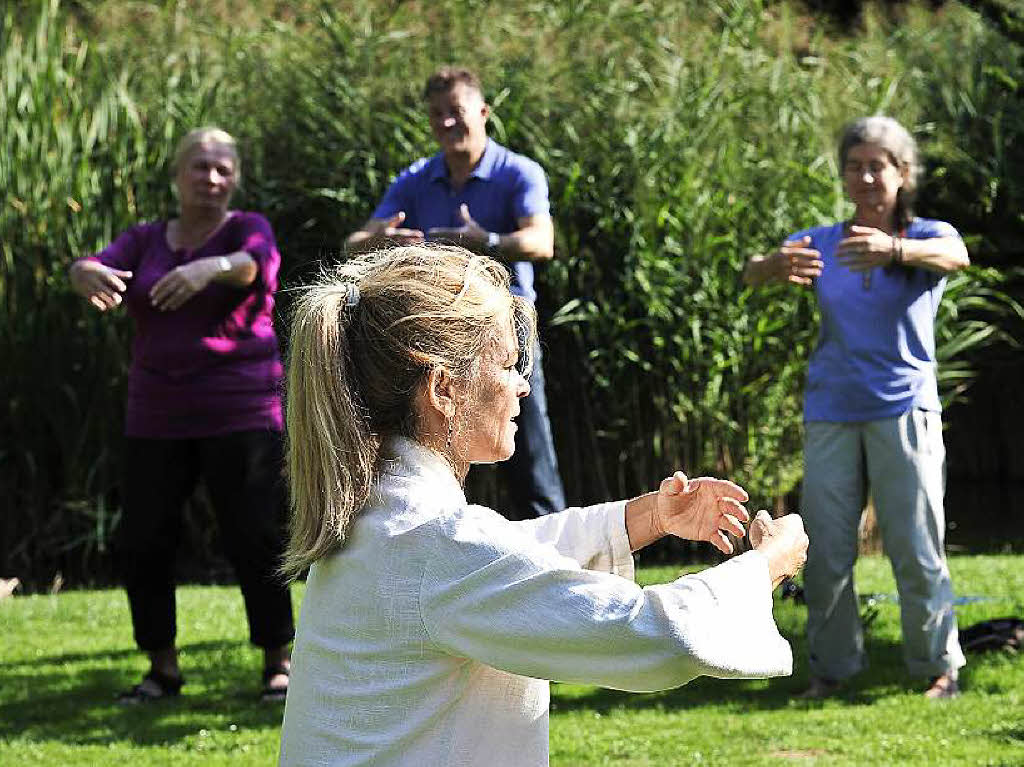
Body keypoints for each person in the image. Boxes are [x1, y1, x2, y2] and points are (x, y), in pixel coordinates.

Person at [277, 245, 809, 766]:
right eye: (509, 365)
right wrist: (767, 564)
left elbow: (505, 561)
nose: (523, 386)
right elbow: (661, 637)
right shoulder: (432, 543)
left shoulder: (384, 516)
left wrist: (644, 520)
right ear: (443, 388)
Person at [743, 116, 970, 699]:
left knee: (916, 546)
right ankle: (832, 668)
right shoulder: (823, 240)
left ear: (902, 174)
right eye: (855, 166)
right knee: (825, 547)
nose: (866, 177)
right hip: (831, 410)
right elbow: (751, 271)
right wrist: (773, 268)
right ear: (843, 175)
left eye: (879, 166)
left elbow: (958, 255)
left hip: (904, 409)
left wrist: (894, 249)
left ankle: (937, 668)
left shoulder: (925, 236)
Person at [68, 127, 294, 703]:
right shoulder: (146, 239)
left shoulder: (247, 229)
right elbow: (95, 265)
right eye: (200, 167)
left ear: (235, 178)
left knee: (255, 536)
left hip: (240, 410)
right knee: (144, 539)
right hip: (158, 414)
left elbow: (255, 265)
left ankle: (279, 662)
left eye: (222, 169)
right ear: (177, 174)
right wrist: (83, 272)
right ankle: (162, 670)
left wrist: (209, 268)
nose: (211, 178)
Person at [346, 65, 565, 520]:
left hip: (508, 334)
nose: (446, 124)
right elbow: (354, 244)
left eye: (456, 112)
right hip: (436, 337)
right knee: (423, 456)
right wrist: (385, 241)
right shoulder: (415, 179)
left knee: (529, 461)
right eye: (436, 115)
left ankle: (557, 564)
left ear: (483, 112)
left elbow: (541, 242)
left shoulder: (518, 173)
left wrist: (485, 242)